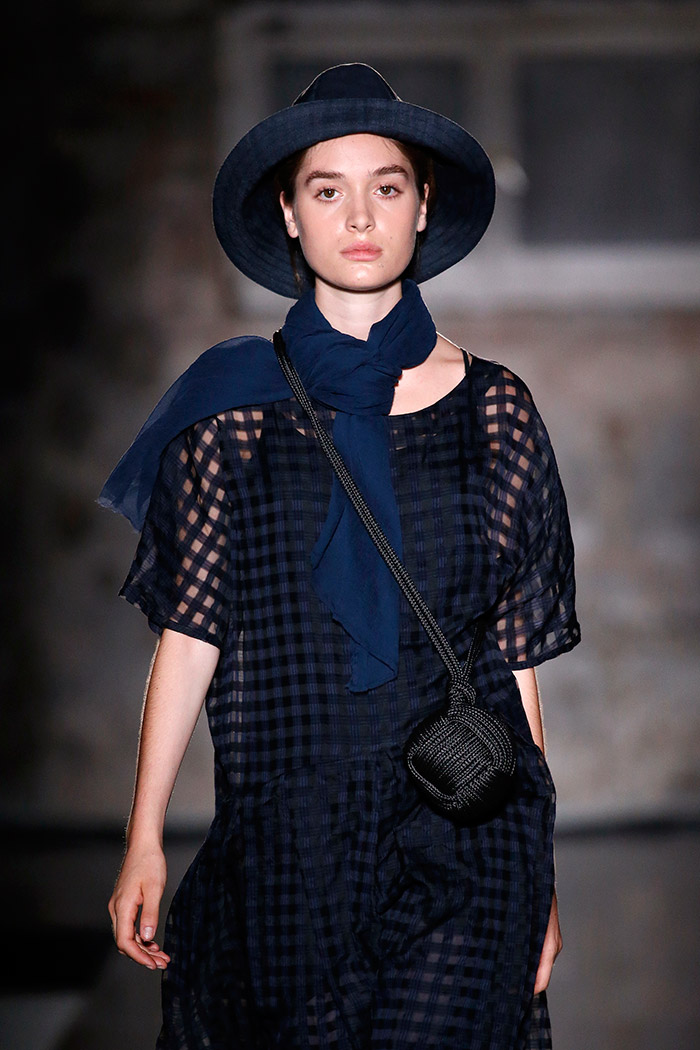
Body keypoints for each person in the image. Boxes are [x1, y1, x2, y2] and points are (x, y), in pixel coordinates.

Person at [103, 63, 580, 1050]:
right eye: (328, 190)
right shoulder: (230, 417)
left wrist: (542, 873)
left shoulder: (495, 411)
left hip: (467, 824)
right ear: (288, 213)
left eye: (386, 186)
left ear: (422, 207)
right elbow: (190, 634)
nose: (359, 215)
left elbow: (512, 653)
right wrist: (144, 835)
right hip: (291, 832)